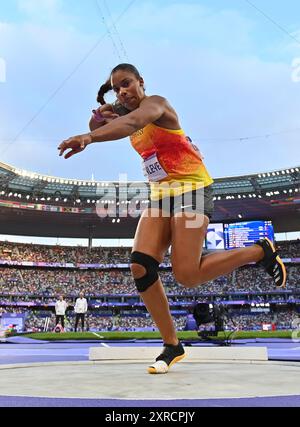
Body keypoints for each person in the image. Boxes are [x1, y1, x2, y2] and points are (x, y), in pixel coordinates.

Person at [58, 63, 287, 374]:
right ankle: (171, 345)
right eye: (116, 88)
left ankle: (260, 251)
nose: (122, 91)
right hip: (161, 194)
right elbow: (106, 122)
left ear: (141, 82)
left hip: (192, 189)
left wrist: (89, 136)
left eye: (127, 84)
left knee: (187, 274)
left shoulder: (156, 104)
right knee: (140, 264)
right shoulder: (125, 110)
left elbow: (131, 123)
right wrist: (98, 118)